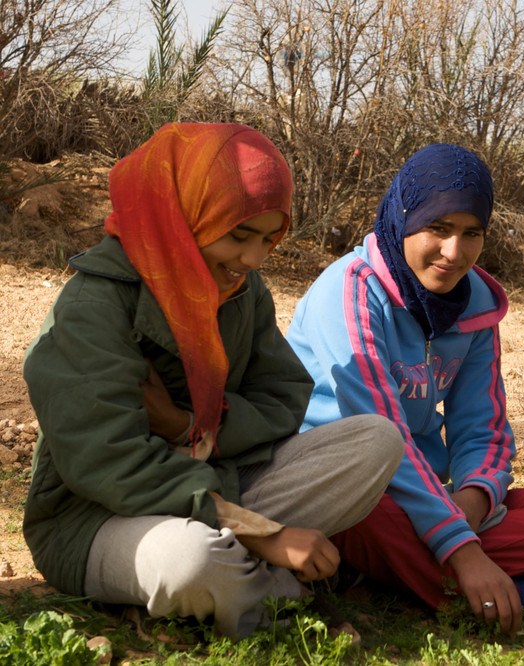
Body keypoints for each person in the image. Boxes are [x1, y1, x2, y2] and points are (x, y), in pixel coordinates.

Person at [22, 123, 403, 639]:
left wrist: (189, 428)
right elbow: (108, 462)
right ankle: (281, 598)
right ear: (183, 217)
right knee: (191, 561)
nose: (253, 259)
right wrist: (261, 532)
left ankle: (225, 583)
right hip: (96, 517)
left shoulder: (242, 289)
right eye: (239, 235)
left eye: (268, 238)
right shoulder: (95, 304)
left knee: (376, 440)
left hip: (218, 480)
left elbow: (283, 396)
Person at [286, 143, 524, 634]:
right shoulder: (351, 291)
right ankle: (516, 596)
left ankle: (401, 564)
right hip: (344, 486)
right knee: (366, 511)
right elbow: (384, 436)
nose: (454, 252)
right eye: (438, 228)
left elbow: (482, 430)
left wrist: (468, 505)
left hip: (428, 498)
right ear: (404, 218)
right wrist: (462, 552)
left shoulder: (477, 305)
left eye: (472, 234)